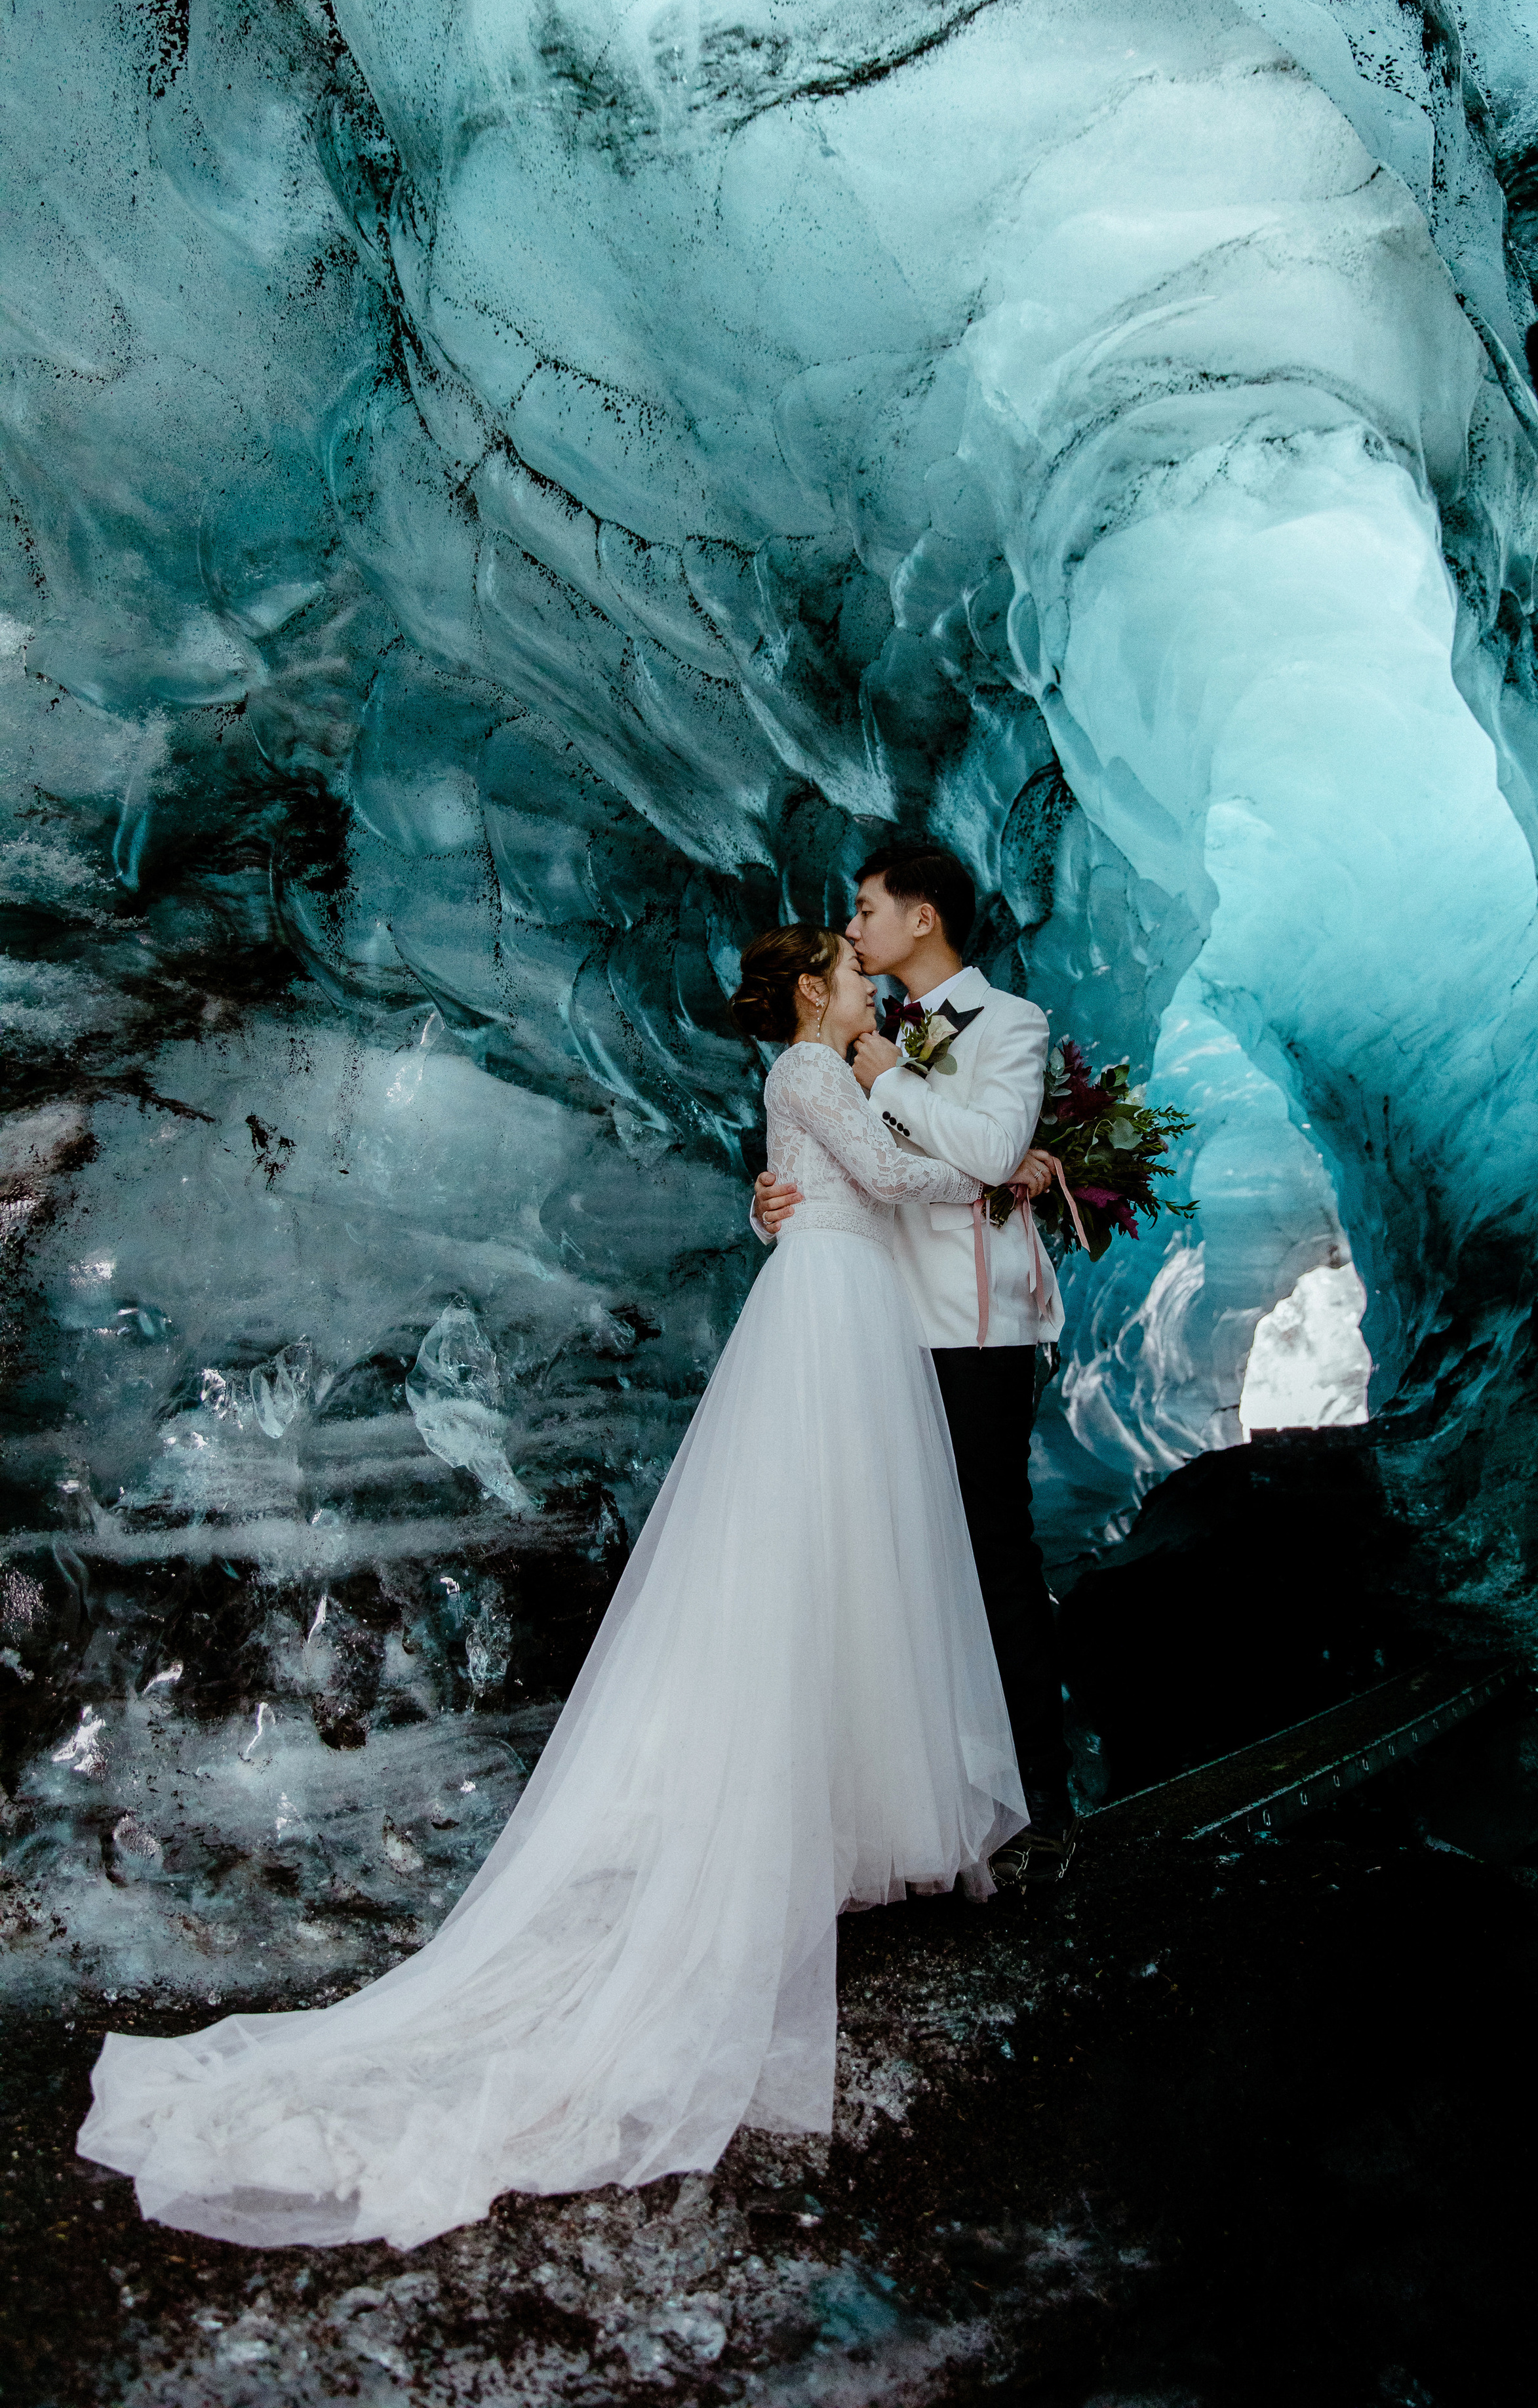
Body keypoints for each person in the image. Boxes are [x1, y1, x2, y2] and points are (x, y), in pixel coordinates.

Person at [76, 927, 1026, 2253]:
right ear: (817, 987)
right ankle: (810, 1823)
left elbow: (822, 1185)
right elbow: (880, 1173)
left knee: (853, 1559)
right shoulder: (817, 1069)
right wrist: (993, 1160)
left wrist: (830, 1173)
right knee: (824, 1551)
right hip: (830, 1309)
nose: (870, 981)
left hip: (838, 1297)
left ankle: (852, 1819)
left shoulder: (820, 1075)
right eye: (851, 970)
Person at [752, 846, 1075, 1865]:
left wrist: (891, 1078)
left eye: (866, 910)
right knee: (894, 1568)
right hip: (878, 1330)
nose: (854, 931)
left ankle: (1042, 1801)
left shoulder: (1009, 1024)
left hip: (973, 1330)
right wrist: (772, 1208)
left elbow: (992, 1151)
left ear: (922, 917)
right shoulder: (863, 1035)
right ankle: (931, 1807)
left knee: (994, 1555)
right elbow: (840, 1167)